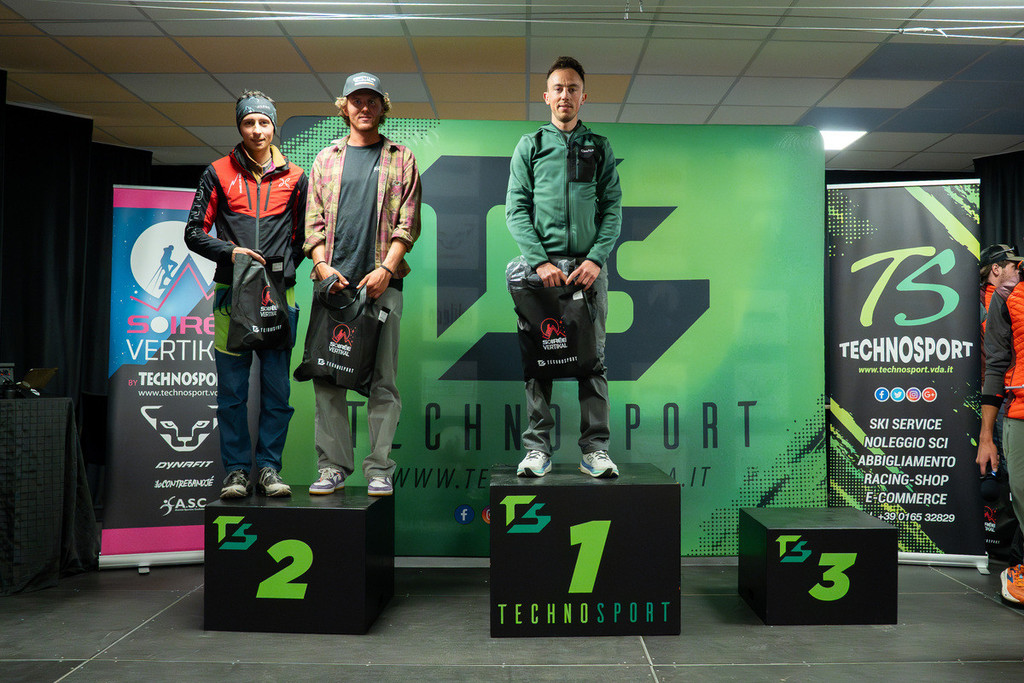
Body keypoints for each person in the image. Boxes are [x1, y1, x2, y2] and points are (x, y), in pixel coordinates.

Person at [184, 90, 307, 499]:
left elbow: (303, 238)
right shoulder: (217, 172)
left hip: (279, 298)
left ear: (274, 126)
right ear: (239, 127)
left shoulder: (296, 177)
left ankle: (269, 468)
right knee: (232, 394)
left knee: (278, 393)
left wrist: (280, 275)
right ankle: (236, 472)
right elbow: (193, 233)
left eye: (264, 122)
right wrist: (232, 253)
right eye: (249, 122)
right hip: (230, 295)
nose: (257, 129)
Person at [303, 72, 421, 497]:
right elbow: (313, 221)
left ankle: (379, 469)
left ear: (382, 107)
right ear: (345, 106)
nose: (364, 107)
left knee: (383, 381)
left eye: (372, 100)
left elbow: (408, 222)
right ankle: (332, 467)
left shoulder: (401, 157)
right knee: (327, 379)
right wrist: (321, 265)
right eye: (357, 100)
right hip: (333, 289)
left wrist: (386, 268)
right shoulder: (326, 158)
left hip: (381, 286)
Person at [505, 56, 622, 478]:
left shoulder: (599, 147)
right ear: (546, 96)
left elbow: (612, 209)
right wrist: (539, 262)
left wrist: (595, 259)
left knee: (593, 362)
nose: (565, 95)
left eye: (573, 88)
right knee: (539, 361)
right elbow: (516, 209)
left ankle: (595, 451)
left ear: (583, 97)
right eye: (558, 88)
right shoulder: (531, 145)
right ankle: (537, 450)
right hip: (542, 274)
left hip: (587, 273)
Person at [978, 243, 1023, 594]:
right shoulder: (999, 299)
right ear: (997, 268)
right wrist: (986, 435)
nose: (1016, 268)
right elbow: (995, 362)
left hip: (1004, 404)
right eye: (1012, 264)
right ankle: (1017, 565)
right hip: (1011, 405)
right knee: (1010, 490)